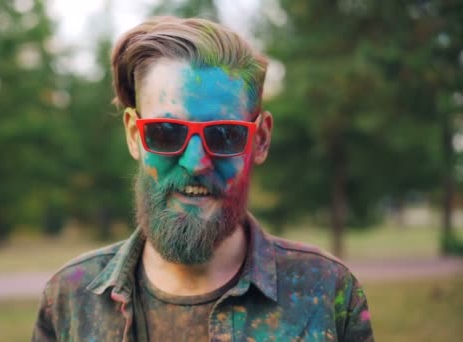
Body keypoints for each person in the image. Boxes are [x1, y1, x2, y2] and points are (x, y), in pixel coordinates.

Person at [32, 16, 373, 342]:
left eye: (225, 135)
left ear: (261, 140)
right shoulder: (69, 301)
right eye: (166, 133)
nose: (195, 163)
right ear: (134, 135)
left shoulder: (327, 294)